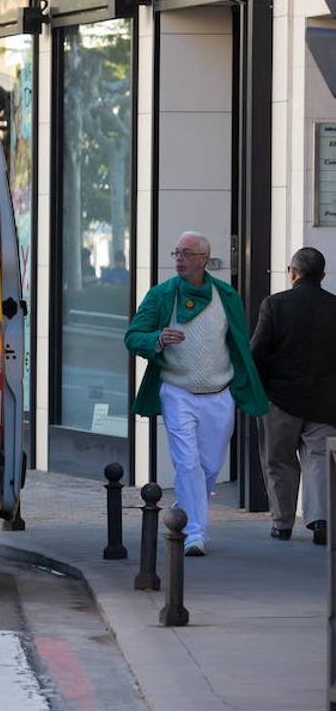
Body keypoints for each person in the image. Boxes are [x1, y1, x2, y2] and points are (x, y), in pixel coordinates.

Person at [124, 231, 268, 556]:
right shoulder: (162, 296)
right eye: (176, 252)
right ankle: (194, 534)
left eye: (187, 253)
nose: (179, 259)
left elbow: (239, 344)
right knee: (186, 462)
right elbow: (133, 336)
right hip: (177, 391)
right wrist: (157, 338)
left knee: (209, 464)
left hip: (219, 393)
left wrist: (245, 385)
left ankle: (185, 507)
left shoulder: (226, 296)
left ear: (204, 259)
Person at [250, 247, 336, 545]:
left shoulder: (274, 305)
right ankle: (319, 518)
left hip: (280, 399)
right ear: (322, 276)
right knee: (319, 460)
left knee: (279, 461)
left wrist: (260, 390)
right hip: (325, 403)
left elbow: (257, 352)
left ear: (293, 273)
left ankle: (282, 522)